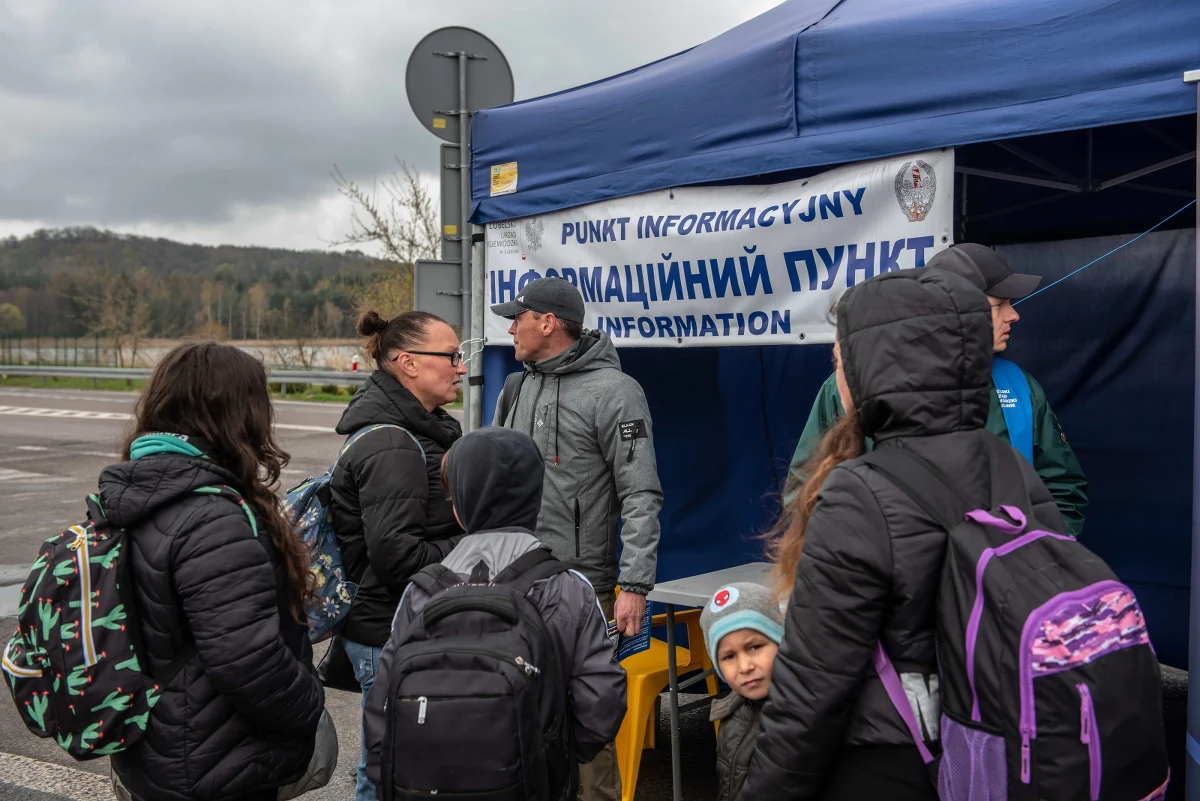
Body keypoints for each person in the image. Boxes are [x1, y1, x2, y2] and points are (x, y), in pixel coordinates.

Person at [741, 269, 1066, 800]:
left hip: (896, 759)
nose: (838, 378)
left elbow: (811, 692)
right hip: (994, 752)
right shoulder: (1008, 464)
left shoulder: (859, 491)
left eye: (840, 363)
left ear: (872, 370)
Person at [100, 341, 325, 801]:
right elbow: (247, 660)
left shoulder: (138, 489)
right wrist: (310, 707)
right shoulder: (212, 518)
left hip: (156, 746)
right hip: (216, 763)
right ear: (237, 412)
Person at [363, 427, 628, 797]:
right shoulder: (568, 588)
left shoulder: (420, 592)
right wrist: (553, 758)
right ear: (536, 497)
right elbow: (602, 701)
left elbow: (381, 705)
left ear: (459, 508)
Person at [491, 276, 662, 801]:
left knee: (589, 719)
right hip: (513, 580)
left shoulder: (615, 391)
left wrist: (634, 583)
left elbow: (641, 494)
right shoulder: (517, 386)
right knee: (514, 710)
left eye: (518, 317)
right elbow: (495, 480)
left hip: (584, 586)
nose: (511, 327)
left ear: (548, 322)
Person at [784, 243, 1088, 535]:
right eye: (999, 305)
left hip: (1002, 581)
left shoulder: (1019, 386)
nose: (1014, 315)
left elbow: (1063, 489)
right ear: (956, 312)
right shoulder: (855, 383)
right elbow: (806, 488)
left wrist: (1034, 556)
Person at [330, 309, 467, 801]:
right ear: (408, 363)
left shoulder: (416, 430)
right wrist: (474, 545)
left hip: (398, 626)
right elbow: (396, 557)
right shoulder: (394, 444)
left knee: (397, 765)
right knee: (387, 773)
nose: (461, 367)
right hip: (389, 630)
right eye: (451, 356)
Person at [699, 582, 784, 801]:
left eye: (755, 647)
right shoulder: (731, 716)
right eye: (729, 656)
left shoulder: (807, 716)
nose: (744, 666)